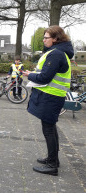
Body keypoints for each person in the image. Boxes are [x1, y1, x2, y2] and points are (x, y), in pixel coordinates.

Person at [23, 25, 73, 176]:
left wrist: (29, 75)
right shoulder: (58, 52)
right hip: (52, 96)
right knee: (50, 128)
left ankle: (52, 165)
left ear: (56, 39)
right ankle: (53, 159)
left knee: (48, 130)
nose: (43, 40)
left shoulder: (56, 54)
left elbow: (45, 77)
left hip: (50, 96)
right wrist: (34, 73)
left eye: (46, 37)